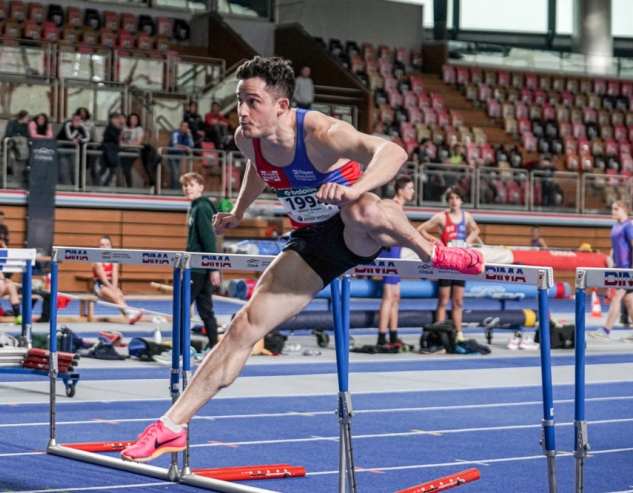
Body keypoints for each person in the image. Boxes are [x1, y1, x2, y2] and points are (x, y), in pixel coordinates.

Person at [120, 56, 483, 463]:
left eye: (252, 101)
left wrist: (353, 188)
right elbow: (259, 168)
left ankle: (434, 252)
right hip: (311, 242)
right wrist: (239, 212)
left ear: (281, 106)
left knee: (366, 208)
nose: (241, 111)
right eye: (239, 100)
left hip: (354, 230)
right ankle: (171, 426)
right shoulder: (246, 137)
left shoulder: (321, 132)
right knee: (243, 326)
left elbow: (392, 151)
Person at [417, 186, 480, 344]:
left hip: (460, 264)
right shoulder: (442, 217)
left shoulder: (466, 216)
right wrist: (435, 240)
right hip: (446, 264)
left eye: (457, 198)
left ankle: (458, 333)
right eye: (451, 198)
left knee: (458, 301)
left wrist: (467, 242)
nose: (454, 201)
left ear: (461, 201)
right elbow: (420, 229)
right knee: (444, 300)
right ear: (448, 201)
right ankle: (439, 332)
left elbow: (476, 229)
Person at [589, 201, 633, 341]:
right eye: (612, 209)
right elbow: (615, 247)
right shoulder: (616, 227)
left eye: (616, 209)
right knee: (630, 301)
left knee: (617, 297)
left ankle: (606, 330)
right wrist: (611, 263)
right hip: (619, 268)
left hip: (627, 269)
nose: (612, 211)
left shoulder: (628, 226)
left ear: (624, 211)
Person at [182, 172, 221, 360]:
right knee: (205, 309)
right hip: (196, 266)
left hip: (199, 268)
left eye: (192, 184)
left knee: (182, 305)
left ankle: (183, 348)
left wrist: (214, 267)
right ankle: (214, 347)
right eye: (185, 185)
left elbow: (208, 239)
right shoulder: (194, 207)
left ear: (201, 187)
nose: (187, 188)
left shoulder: (203, 208)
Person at [376, 176, 414, 348]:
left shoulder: (399, 207)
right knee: (388, 297)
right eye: (410, 188)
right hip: (390, 254)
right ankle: (382, 337)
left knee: (396, 297)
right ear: (401, 191)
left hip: (396, 254)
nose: (413, 191)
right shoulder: (393, 206)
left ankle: (393, 335)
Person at [92, 236, 141, 324]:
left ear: (111, 247)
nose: (105, 247)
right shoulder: (97, 261)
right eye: (102, 245)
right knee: (115, 296)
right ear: (99, 247)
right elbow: (103, 279)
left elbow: (115, 276)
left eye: (107, 245)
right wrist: (112, 290)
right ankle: (131, 311)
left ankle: (130, 316)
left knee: (120, 296)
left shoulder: (114, 259)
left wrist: (114, 288)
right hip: (99, 285)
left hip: (111, 283)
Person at [56, 114, 90, 185]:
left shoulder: (82, 126)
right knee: (63, 168)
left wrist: (78, 139)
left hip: (73, 150)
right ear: (72, 119)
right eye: (75, 119)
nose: (76, 121)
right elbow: (69, 137)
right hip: (63, 148)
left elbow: (87, 138)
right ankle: (64, 185)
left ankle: (75, 185)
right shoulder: (67, 124)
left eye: (78, 120)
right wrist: (77, 133)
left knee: (74, 169)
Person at [95, 113, 123, 187]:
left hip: (107, 152)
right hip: (110, 152)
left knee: (104, 170)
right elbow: (115, 139)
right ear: (113, 119)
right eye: (117, 119)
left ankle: (99, 185)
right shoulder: (113, 129)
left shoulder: (111, 128)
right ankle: (103, 186)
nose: (118, 121)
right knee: (110, 171)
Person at [4, 110, 30, 185]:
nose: (28, 119)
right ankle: (9, 174)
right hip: (12, 145)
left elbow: (27, 135)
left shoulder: (26, 126)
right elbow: (9, 133)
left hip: (22, 145)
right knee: (10, 158)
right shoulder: (12, 123)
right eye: (26, 117)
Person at [119, 113, 145, 188]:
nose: (133, 120)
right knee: (123, 168)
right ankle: (123, 185)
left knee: (127, 167)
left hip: (133, 150)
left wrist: (129, 144)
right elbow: (120, 138)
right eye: (132, 119)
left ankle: (129, 186)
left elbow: (139, 141)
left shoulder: (139, 129)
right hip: (124, 150)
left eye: (135, 119)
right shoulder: (125, 128)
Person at [167, 121, 194, 190]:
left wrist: (189, 135)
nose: (184, 128)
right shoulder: (176, 133)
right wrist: (185, 147)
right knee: (175, 173)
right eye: (183, 126)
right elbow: (175, 145)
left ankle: (176, 189)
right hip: (172, 155)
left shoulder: (186, 135)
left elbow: (191, 146)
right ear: (180, 126)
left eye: (186, 126)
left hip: (180, 156)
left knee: (180, 173)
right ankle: (174, 190)